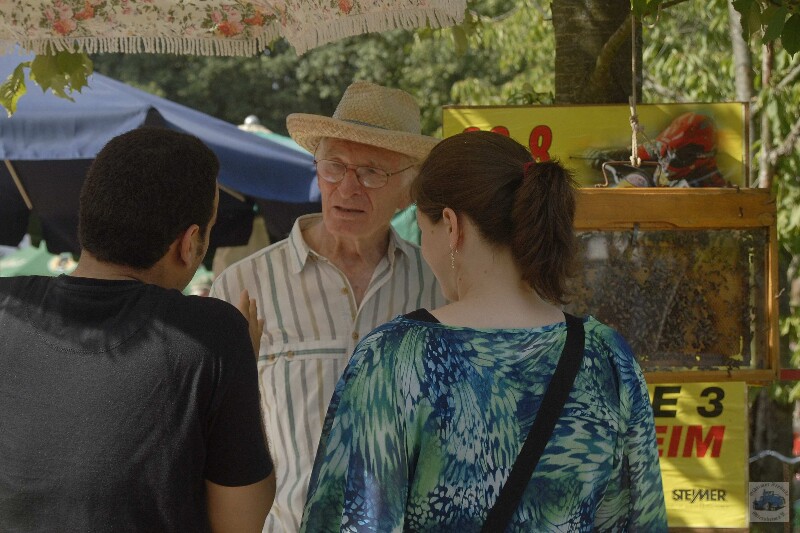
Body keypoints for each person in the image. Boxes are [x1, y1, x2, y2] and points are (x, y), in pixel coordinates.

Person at [301, 131, 668, 531]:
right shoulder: (606, 357)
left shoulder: (393, 357)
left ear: (450, 226)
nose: (425, 250)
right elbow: (639, 519)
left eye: (423, 232)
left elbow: (353, 520)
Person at [0, 127, 275, 533]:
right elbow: (241, 523)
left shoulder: (9, 307)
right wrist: (242, 370)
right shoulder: (212, 335)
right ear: (189, 243)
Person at [210, 81, 446, 531]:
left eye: (372, 172)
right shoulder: (244, 286)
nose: (347, 187)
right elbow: (215, 439)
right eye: (334, 166)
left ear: (409, 191)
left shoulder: (438, 287)